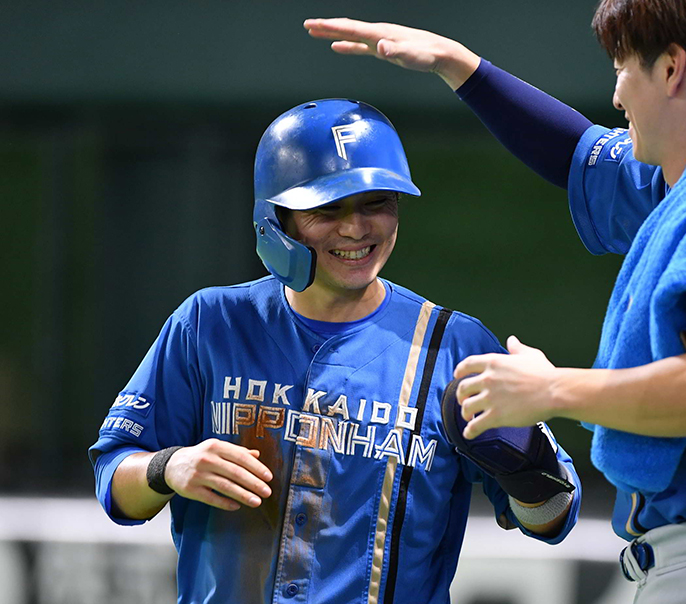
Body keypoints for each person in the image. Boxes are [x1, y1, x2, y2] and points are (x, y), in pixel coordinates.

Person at [305, 1, 686, 601]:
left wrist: (552, 390)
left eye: (623, 68)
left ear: (672, 69)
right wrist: (458, 65)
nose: (618, 97)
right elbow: (577, 153)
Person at [88, 99, 581, 604]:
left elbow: (551, 519)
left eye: (376, 203)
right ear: (275, 217)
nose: (355, 229)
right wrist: (168, 467)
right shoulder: (210, 322)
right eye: (327, 208)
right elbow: (114, 480)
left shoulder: (454, 347)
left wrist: (525, 457)